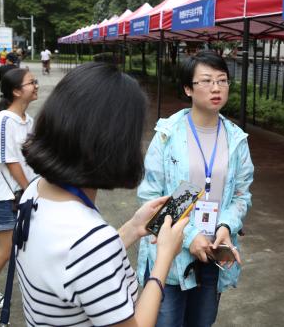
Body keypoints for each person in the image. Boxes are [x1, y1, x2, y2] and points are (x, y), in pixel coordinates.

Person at [16, 62, 189, 326]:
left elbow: (77, 265)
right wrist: (164, 258)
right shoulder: (92, 241)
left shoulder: (35, 191)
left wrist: (132, 228)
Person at [137, 50, 255, 327]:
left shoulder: (236, 139)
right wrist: (190, 236)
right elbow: (150, 197)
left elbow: (242, 194)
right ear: (188, 89)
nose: (216, 88)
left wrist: (226, 226)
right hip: (170, 254)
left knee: (202, 321)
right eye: (206, 81)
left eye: (222, 80)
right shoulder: (168, 135)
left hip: (213, 250)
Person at [0, 68, 39, 309]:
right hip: (8, 197)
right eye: (31, 82)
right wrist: (28, 189)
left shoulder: (28, 120)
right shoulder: (3, 120)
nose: (36, 85)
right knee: (6, 250)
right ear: (16, 91)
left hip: (26, 194)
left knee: (28, 245)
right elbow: (9, 160)